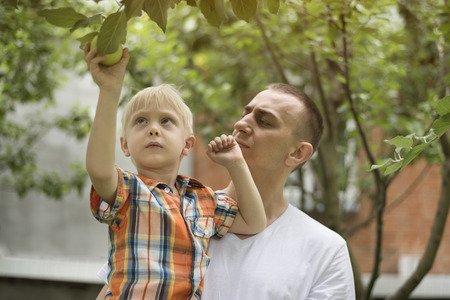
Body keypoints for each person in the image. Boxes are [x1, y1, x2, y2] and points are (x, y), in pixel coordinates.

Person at [84, 43, 266, 300]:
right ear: (124, 145)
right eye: (141, 121)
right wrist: (110, 90)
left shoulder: (203, 199)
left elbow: (254, 222)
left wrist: (236, 163)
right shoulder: (127, 190)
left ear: (187, 144)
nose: (153, 129)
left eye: (166, 121)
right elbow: (98, 169)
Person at [201, 83, 356, 299]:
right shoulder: (184, 213)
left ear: (298, 152)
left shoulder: (325, 250)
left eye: (264, 121)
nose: (241, 124)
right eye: (245, 114)